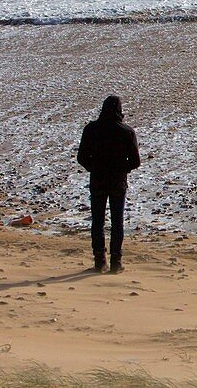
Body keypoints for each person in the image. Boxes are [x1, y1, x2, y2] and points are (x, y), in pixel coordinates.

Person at [76, 95, 140, 273]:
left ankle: (99, 260)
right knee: (117, 221)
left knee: (97, 221)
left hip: (97, 179)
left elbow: (81, 157)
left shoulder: (91, 129)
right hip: (118, 181)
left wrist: (94, 168)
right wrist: (122, 169)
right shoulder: (126, 131)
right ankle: (116, 262)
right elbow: (136, 161)